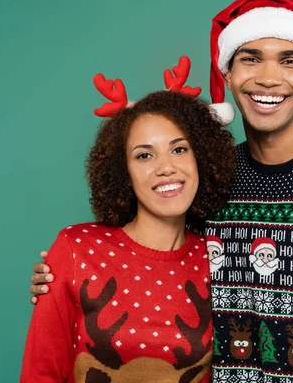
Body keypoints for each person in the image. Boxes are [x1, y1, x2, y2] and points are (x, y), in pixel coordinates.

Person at [29, 0, 293, 383]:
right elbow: (153, 255)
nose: (268, 77)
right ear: (228, 73)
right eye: (251, 59)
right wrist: (62, 278)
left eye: (290, 61)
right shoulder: (216, 178)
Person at [20, 56, 236, 382]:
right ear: (124, 172)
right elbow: (40, 372)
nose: (166, 167)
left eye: (179, 149)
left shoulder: (219, 258)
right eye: (144, 155)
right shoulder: (76, 250)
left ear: (201, 159)